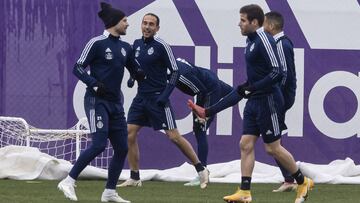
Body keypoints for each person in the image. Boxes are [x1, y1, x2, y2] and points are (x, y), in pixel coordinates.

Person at [189, 4, 313, 203]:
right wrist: (208, 110)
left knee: (272, 149)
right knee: (245, 144)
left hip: (269, 101)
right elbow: (247, 85)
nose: (239, 24)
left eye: (243, 20)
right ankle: (245, 192)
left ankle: (302, 181)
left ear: (255, 22)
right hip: (255, 101)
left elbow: (277, 72)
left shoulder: (264, 39)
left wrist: (252, 89)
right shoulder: (250, 41)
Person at [57, 2, 144, 202]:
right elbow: (77, 67)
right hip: (97, 101)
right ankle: (68, 180)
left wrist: (138, 75)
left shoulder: (125, 47)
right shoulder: (96, 43)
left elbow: (135, 70)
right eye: (124, 21)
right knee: (99, 144)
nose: (128, 24)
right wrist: (94, 84)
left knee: (122, 147)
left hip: (116, 104)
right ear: (114, 22)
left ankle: (109, 193)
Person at [117, 13, 209, 189]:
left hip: (158, 98)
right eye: (145, 23)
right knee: (129, 133)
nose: (147, 27)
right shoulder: (135, 45)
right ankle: (135, 177)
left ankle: (201, 169)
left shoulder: (162, 46)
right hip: (141, 98)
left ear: (157, 28)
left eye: (151, 24)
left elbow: (174, 71)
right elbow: (136, 68)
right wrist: (132, 78)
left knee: (174, 137)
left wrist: (165, 95)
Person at [264, 11, 298, 193]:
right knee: (273, 141)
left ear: (270, 25)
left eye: (264, 24)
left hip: (281, 97)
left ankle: (291, 179)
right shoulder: (279, 44)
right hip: (281, 96)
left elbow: (284, 74)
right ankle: (290, 178)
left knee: (273, 142)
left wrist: (277, 97)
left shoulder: (282, 45)